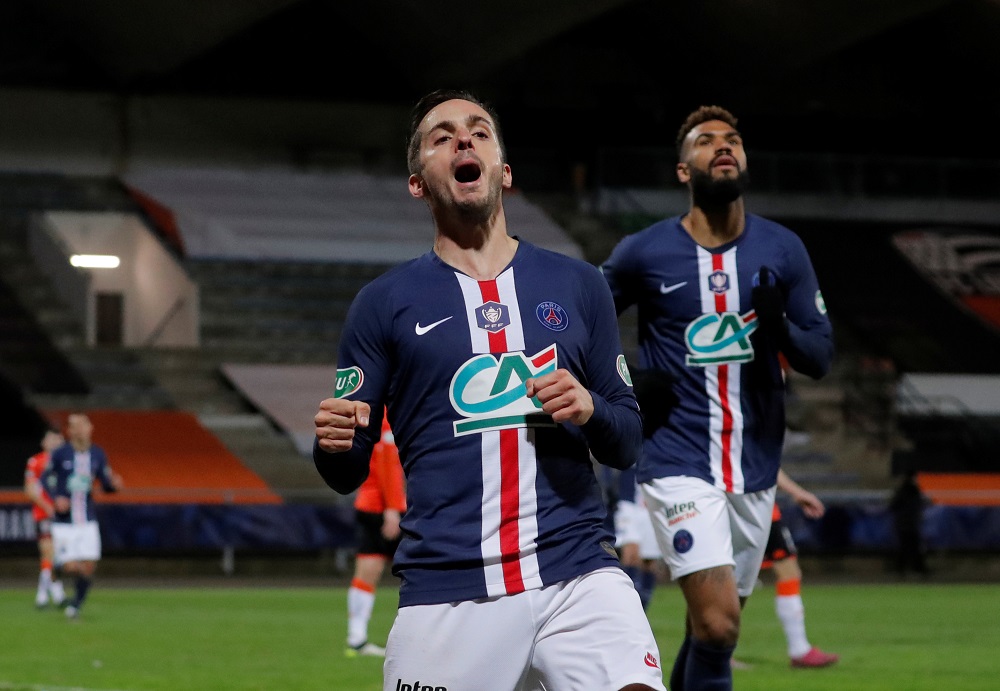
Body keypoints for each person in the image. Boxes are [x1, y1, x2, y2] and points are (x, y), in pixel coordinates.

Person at [313, 89, 665, 691]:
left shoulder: (578, 284)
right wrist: (333, 441)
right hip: (448, 590)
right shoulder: (383, 304)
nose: (462, 139)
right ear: (418, 182)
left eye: (478, 130)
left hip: (576, 572)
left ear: (504, 170)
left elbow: (627, 440)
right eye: (441, 135)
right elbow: (345, 469)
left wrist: (590, 408)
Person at [601, 105, 834, 690]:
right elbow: (582, 324)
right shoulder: (644, 252)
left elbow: (821, 356)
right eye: (706, 142)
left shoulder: (783, 250)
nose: (723, 147)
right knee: (720, 624)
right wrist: (626, 383)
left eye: (732, 140)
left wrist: (779, 329)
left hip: (754, 466)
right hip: (677, 459)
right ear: (684, 170)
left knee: (708, 633)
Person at [43, 413, 123, 619]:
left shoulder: (97, 454)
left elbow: (105, 483)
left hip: (87, 519)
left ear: (90, 428)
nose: (78, 429)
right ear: (69, 431)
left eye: (82, 425)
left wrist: (114, 486)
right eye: (74, 426)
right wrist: (56, 497)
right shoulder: (60, 454)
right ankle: (56, 569)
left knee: (89, 567)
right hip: (64, 522)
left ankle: (75, 606)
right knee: (71, 566)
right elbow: (46, 479)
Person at [756, 469, 839, 668]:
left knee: (787, 571)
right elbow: (761, 456)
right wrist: (797, 492)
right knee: (729, 579)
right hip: (749, 503)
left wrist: (796, 492)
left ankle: (800, 649)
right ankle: (716, 650)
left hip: (761, 505)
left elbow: (766, 459)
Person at [344, 413, 406, 658]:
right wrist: (392, 508)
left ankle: (356, 638)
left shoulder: (368, 417)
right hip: (384, 508)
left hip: (367, 502)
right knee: (422, 571)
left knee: (366, 573)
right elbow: (387, 464)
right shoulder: (388, 419)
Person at [24, 428, 67, 608]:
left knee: (58, 555)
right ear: (44, 442)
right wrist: (48, 507)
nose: (55, 442)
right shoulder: (36, 462)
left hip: (64, 515)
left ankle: (52, 592)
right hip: (44, 514)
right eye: (52, 439)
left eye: (58, 439)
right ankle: (48, 594)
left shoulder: (66, 462)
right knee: (48, 552)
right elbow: (30, 490)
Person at [612, 465, 662, 611]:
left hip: (650, 502)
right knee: (631, 554)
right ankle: (626, 607)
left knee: (649, 561)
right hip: (628, 501)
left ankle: (641, 610)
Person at [888, 469, 930, 575]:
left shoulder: (904, 491)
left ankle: (903, 569)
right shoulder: (913, 492)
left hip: (905, 524)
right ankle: (916, 569)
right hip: (909, 524)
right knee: (911, 547)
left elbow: (893, 506)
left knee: (906, 547)